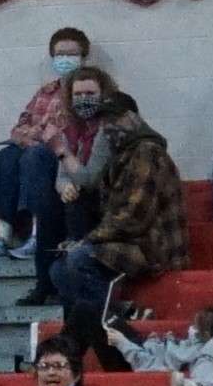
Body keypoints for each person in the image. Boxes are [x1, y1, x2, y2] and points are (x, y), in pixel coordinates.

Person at [52, 93, 190, 337]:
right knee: (59, 269)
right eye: (103, 122)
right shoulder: (123, 154)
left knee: (78, 260)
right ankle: (100, 325)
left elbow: (134, 218)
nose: (106, 128)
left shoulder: (148, 152)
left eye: (111, 120)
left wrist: (87, 240)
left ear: (130, 119)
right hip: (132, 241)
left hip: (154, 246)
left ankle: (119, 326)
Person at [0, 27, 92, 261]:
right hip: (35, 147)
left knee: (35, 156)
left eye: (71, 54)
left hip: (65, 155)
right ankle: (4, 235)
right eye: (60, 54)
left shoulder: (85, 91)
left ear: (83, 57)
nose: (65, 59)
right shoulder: (46, 91)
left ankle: (37, 236)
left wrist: (38, 135)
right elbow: (20, 126)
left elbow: (67, 130)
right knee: (6, 156)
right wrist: (33, 136)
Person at [22, 64, 120, 306]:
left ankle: (68, 268)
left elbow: (90, 178)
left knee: (76, 200)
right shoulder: (71, 128)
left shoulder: (109, 127)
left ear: (104, 95)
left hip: (108, 201)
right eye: (78, 95)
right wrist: (63, 185)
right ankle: (45, 281)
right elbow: (62, 174)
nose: (83, 100)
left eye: (90, 94)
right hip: (82, 196)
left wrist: (62, 152)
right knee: (51, 207)